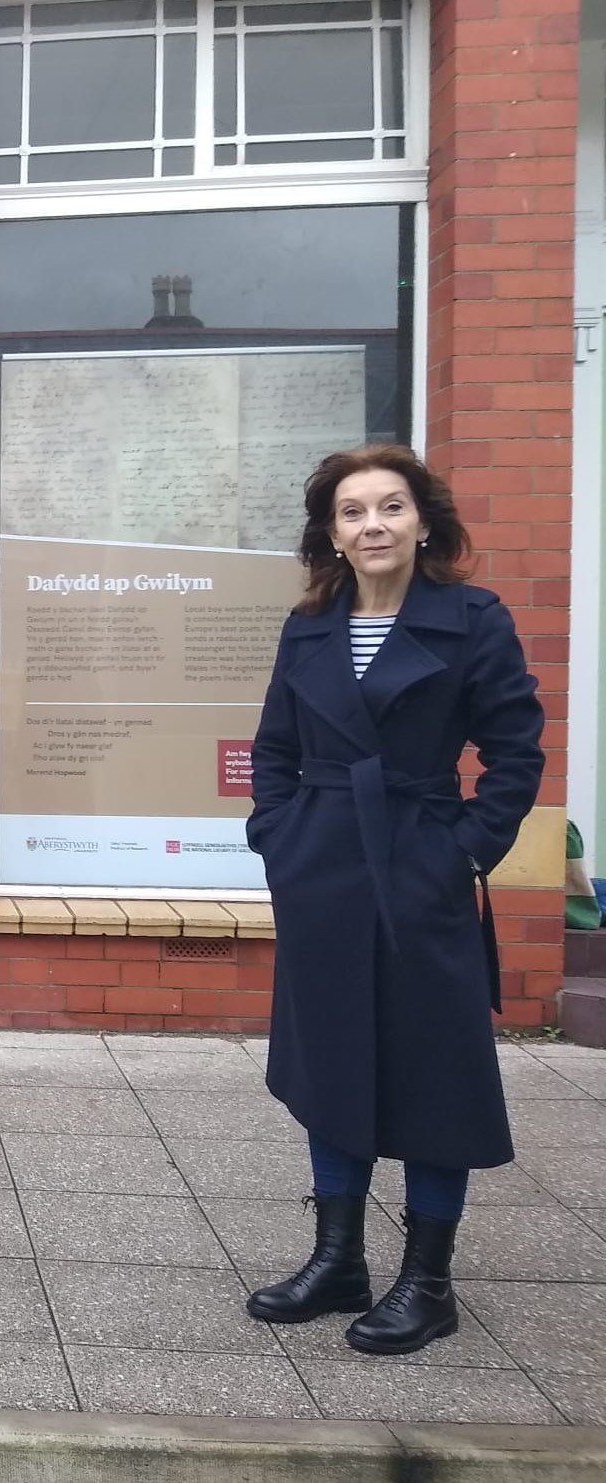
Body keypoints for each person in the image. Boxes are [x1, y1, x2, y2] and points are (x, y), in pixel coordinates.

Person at [244, 443, 543, 1355]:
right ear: (330, 533)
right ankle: (339, 1259)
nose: (371, 525)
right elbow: (273, 749)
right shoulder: (309, 626)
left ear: (423, 521)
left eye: (389, 507)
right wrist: (280, 839)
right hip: (324, 871)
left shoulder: (473, 620)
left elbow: (516, 755)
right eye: (351, 512)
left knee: (433, 1064)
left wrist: (460, 855)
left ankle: (429, 1282)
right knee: (331, 1055)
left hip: (420, 863)